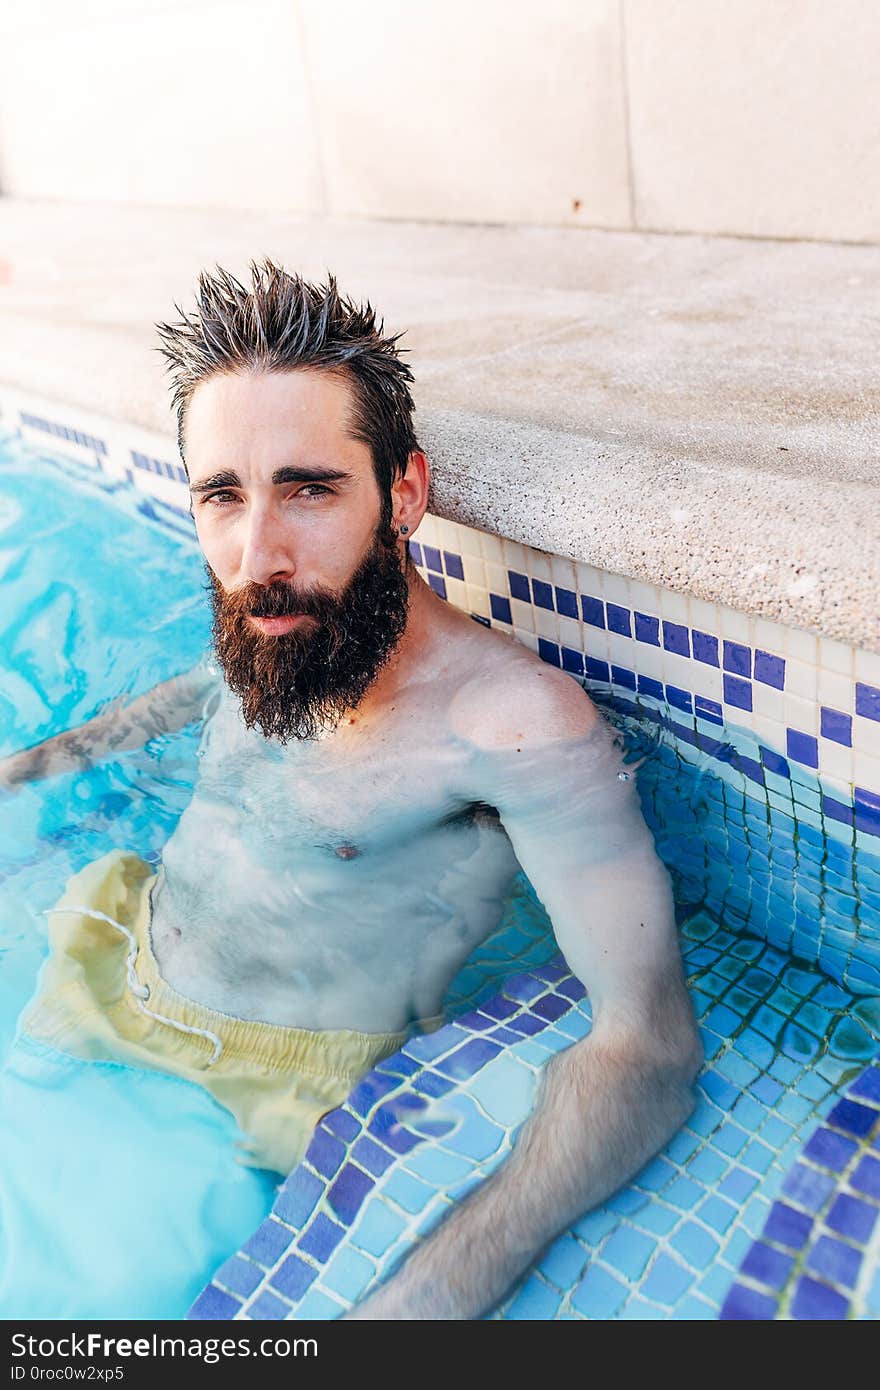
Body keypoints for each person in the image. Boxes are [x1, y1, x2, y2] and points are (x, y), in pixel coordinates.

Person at [0, 262, 701, 1320]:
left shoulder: (510, 728)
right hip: (107, 955)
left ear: (404, 492)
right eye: (222, 496)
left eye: (310, 487)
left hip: (263, 1091)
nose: (257, 552)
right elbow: (160, 708)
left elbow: (645, 1041)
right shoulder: (269, 619)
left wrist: (433, 1292)